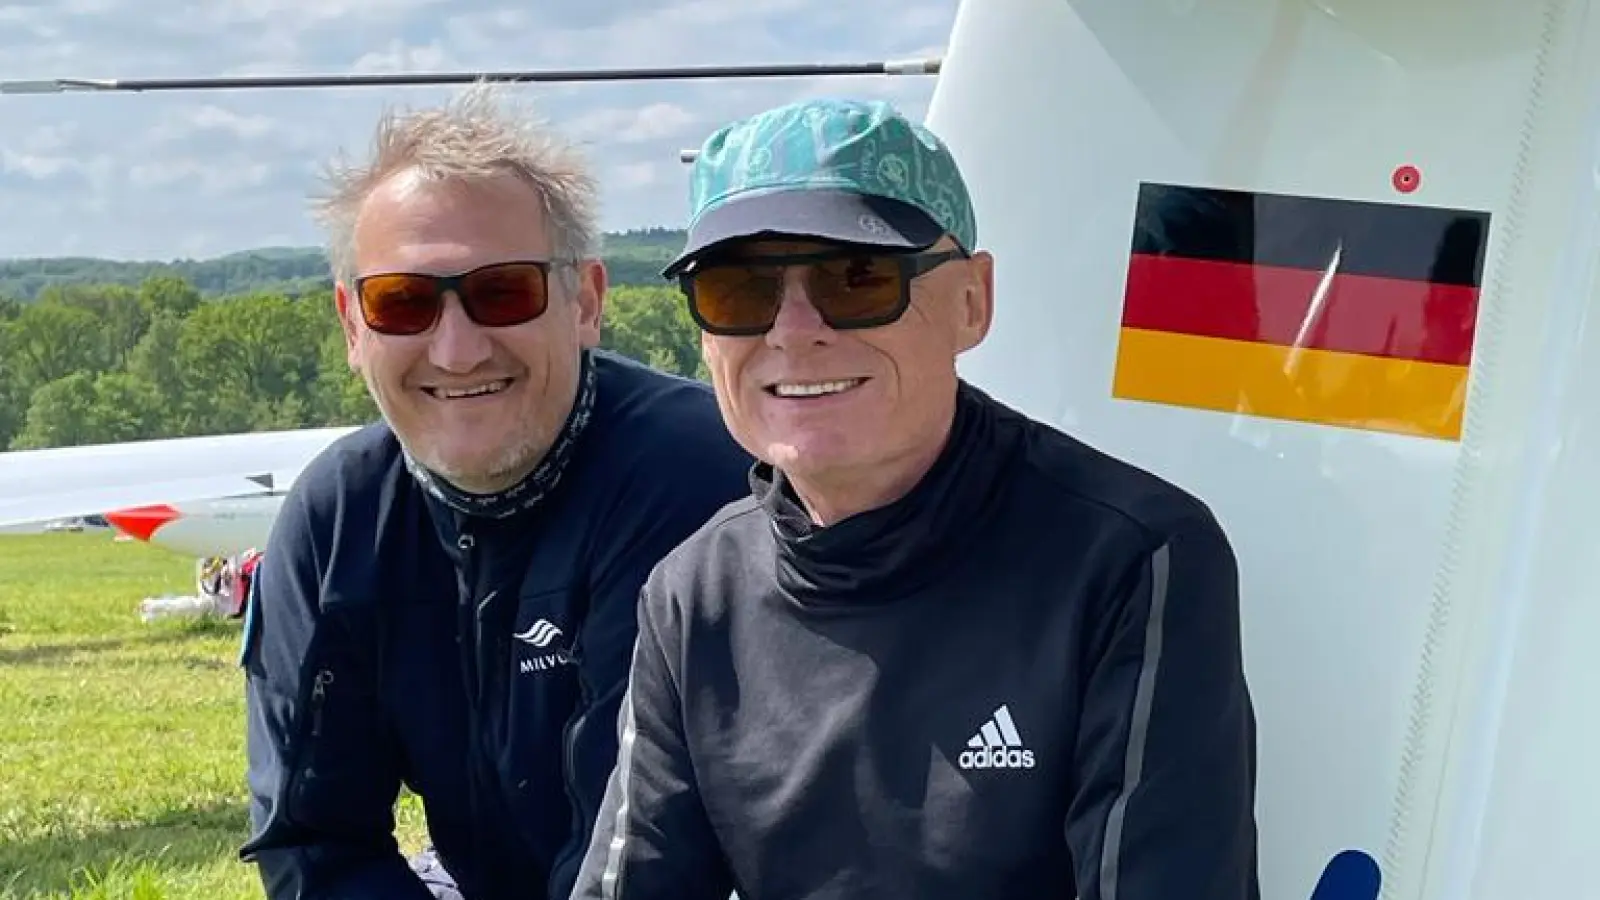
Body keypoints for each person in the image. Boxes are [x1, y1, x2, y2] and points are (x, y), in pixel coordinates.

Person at [568, 97, 1262, 899]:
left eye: (855, 278)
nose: (793, 331)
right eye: (737, 290)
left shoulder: (1129, 559)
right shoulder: (695, 596)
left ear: (973, 300)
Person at [236, 83, 752, 900]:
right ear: (350, 327)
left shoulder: (700, 484)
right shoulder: (340, 518)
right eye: (401, 302)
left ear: (585, 302)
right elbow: (314, 843)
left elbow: (645, 861)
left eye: (503, 291)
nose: (456, 349)